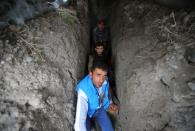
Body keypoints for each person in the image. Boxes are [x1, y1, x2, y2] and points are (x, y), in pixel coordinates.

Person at [74, 61, 118, 131]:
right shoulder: (83, 90)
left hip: (99, 109)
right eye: (98, 75)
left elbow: (107, 91)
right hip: (87, 113)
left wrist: (110, 103)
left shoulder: (105, 81)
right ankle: (91, 125)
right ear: (91, 74)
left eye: (104, 75)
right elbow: (79, 124)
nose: (101, 80)